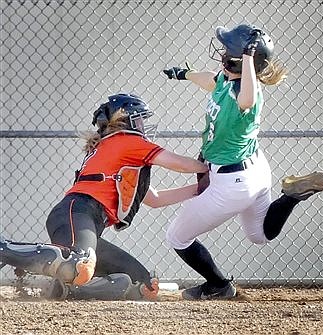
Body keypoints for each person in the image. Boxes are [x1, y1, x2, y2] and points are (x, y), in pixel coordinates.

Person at [162, 23, 323, 300]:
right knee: (260, 236)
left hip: (232, 182)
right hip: (254, 170)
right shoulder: (228, 81)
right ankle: (291, 196)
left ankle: (218, 285)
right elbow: (211, 80)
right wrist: (184, 74)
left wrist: (246, 59)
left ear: (240, 61)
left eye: (227, 51)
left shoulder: (245, 91)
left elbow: (246, 100)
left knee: (177, 236)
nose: (221, 52)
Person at [0, 92, 208, 301]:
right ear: (125, 121)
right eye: (140, 120)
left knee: (144, 287)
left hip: (86, 220)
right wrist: (208, 166)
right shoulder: (126, 140)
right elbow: (179, 163)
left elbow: (155, 199)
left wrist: (199, 189)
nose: (143, 126)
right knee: (80, 264)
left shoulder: (114, 147)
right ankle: (4, 249)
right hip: (78, 212)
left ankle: (65, 290)